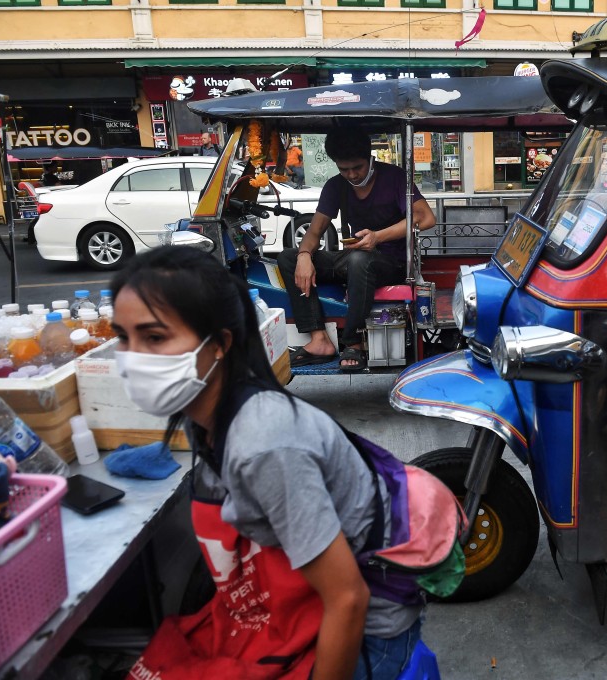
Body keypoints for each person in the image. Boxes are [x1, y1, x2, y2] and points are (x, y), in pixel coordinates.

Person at [112, 247, 425, 679]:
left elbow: (346, 598)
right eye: (123, 338)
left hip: (363, 632)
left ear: (220, 344)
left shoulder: (264, 445)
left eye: (155, 338)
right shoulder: (204, 412)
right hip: (294, 603)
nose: (132, 357)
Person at [276, 128, 436, 371]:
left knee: (360, 259)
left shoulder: (394, 178)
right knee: (289, 257)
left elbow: (426, 218)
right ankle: (319, 340)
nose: (351, 174)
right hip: (355, 258)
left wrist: (378, 237)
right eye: (344, 169)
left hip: (392, 262)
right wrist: (305, 255)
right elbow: (315, 231)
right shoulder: (336, 186)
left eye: (357, 168)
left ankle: (353, 342)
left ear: (370, 158)